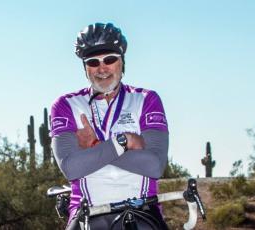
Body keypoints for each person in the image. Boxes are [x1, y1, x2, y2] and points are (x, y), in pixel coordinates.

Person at [51, 22, 169, 230]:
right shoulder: (65, 105)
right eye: (93, 62)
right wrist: (124, 143)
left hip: (142, 210)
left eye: (110, 59)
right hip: (86, 211)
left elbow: (154, 165)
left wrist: (94, 146)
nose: (102, 68)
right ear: (85, 68)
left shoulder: (146, 99)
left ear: (122, 62)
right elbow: (72, 168)